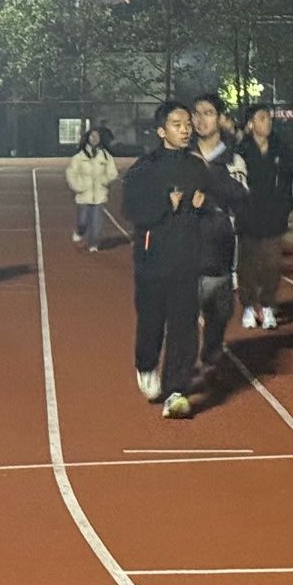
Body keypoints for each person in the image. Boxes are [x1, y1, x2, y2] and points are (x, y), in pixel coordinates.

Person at [122, 101, 211, 419]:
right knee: (151, 322)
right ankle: (146, 365)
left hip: (187, 260)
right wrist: (164, 205)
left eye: (188, 124)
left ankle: (176, 389)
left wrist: (203, 206)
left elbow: (209, 210)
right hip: (153, 262)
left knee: (184, 326)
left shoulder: (197, 167)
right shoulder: (143, 169)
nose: (185, 130)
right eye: (177, 124)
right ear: (162, 131)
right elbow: (131, 210)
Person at [190, 94, 249, 374]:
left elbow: (240, 196)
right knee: (182, 315)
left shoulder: (233, 159)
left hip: (219, 246)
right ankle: (182, 367)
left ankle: (211, 351)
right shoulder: (180, 154)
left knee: (218, 314)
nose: (201, 119)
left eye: (208, 113)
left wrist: (207, 174)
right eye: (196, 113)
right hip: (184, 246)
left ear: (220, 118)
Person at [235, 104, 293, 330]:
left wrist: (285, 206)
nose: (267, 122)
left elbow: (290, 177)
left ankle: (268, 305)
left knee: (272, 264)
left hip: (273, 217)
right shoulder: (240, 151)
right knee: (248, 265)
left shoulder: (281, 148)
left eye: (269, 118)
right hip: (248, 217)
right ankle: (249, 306)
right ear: (250, 124)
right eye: (262, 118)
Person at [65, 126, 118, 253]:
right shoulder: (79, 157)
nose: (95, 139)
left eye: (97, 136)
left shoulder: (105, 156)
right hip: (84, 196)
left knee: (96, 223)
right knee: (82, 222)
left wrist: (104, 181)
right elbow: (71, 174)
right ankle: (79, 233)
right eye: (92, 136)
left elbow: (113, 173)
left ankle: (93, 244)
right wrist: (79, 186)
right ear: (87, 138)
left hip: (99, 195)